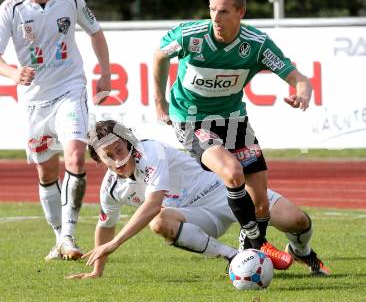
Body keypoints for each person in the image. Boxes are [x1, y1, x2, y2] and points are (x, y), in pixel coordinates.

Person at [153, 0, 312, 269]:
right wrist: (159, 102)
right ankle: (255, 244)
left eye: (224, 11)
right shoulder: (191, 36)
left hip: (234, 120)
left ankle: (251, 249)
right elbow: (160, 56)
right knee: (232, 172)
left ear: (241, 12)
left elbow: (297, 77)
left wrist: (302, 93)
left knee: (260, 200)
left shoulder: (256, 45)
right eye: (212, 9)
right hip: (192, 119)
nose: (216, 17)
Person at [66, 120, 329, 279]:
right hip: (196, 218)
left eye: (119, 150)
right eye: (108, 156)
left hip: (221, 192)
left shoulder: (150, 151)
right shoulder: (111, 188)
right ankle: (234, 257)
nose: (117, 159)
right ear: (98, 160)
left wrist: (114, 244)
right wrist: (97, 269)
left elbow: (152, 203)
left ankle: (302, 252)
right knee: (159, 223)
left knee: (297, 220)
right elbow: (105, 225)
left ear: (129, 143)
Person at [0, 0, 111, 261]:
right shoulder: (11, 9)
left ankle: (70, 236)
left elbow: (96, 32)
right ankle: (58, 238)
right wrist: (13, 73)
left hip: (69, 91)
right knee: (46, 173)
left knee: (76, 158)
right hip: (35, 101)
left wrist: (105, 72)